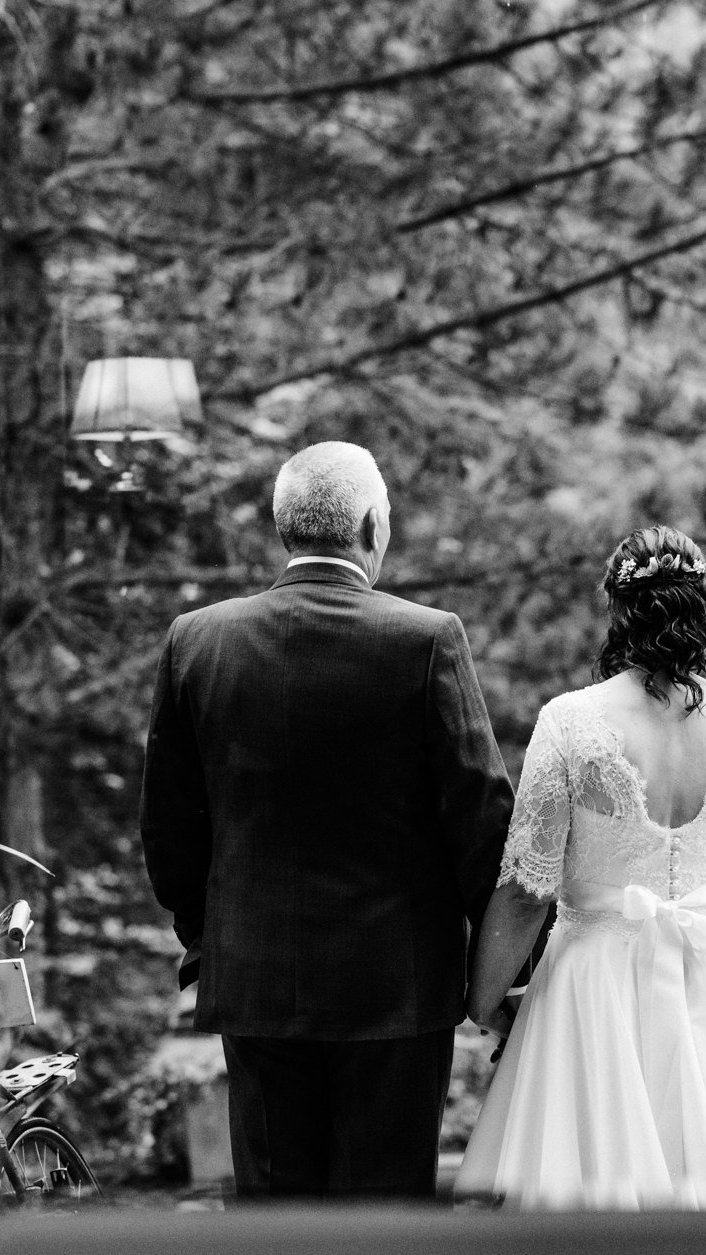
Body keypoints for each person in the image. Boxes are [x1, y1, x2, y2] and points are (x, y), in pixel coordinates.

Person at [137, 441, 512, 1201]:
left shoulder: (198, 639)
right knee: (384, 1216)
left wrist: (208, 941)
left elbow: (168, 827)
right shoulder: (426, 638)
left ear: (285, 529)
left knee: (275, 1211)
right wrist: (506, 969)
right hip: (397, 993)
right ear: (373, 526)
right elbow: (481, 820)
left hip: (255, 980)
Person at [457, 525, 706, 1209]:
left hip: (592, 986)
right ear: (704, 607)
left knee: (589, 1196)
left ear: (617, 610)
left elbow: (527, 894)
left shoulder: (569, 722)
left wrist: (484, 1002)